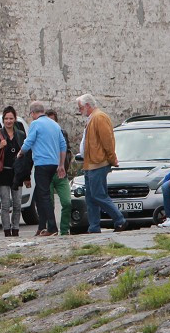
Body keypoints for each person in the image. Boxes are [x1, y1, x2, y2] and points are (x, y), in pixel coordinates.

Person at [76, 93, 127, 233]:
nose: (80, 111)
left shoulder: (99, 117)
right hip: (90, 163)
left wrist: (112, 158)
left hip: (98, 163)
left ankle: (119, 219)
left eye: (80, 108)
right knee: (91, 197)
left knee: (98, 195)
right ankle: (94, 226)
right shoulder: (92, 118)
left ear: (87, 105)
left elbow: (108, 141)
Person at [18, 101, 66, 237]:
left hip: (42, 163)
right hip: (53, 164)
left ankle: (52, 227)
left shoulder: (35, 124)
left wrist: (21, 152)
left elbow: (29, 141)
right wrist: (61, 164)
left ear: (33, 113)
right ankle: (41, 227)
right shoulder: (55, 125)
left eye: (31, 114)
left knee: (44, 196)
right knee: (41, 195)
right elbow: (62, 145)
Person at [0, 106, 26, 237]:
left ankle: (16, 229)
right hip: (2, 172)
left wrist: (27, 176)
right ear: (3, 120)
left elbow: (26, 156)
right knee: (5, 204)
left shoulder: (20, 134)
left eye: (11, 118)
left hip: (16, 173)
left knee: (18, 204)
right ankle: (7, 231)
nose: (8, 121)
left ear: (15, 119)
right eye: (6, 119)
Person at [46, 110, 73, 236]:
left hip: (61, 173)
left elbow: (68, 151)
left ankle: (64, 229)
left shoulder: (62, 134)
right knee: (48, 204)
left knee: (67, 202)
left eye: (53, 120)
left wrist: (65, 166)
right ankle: (51, 229)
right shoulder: (42, 136)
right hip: (47, 174)